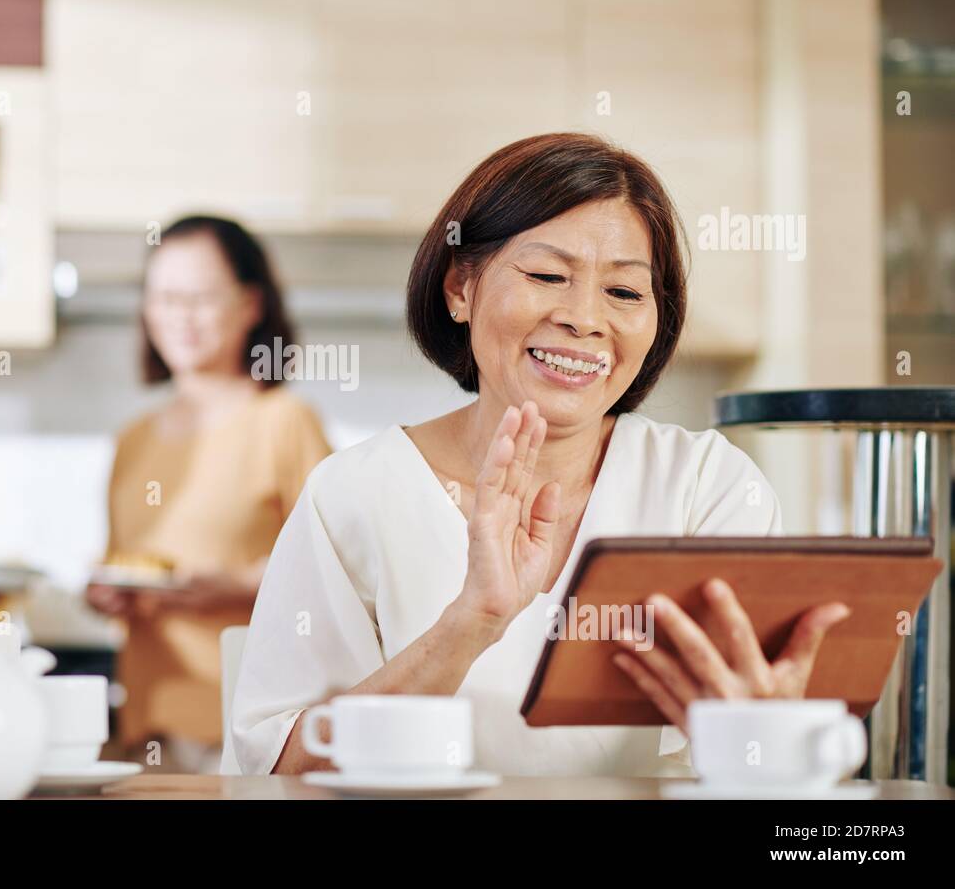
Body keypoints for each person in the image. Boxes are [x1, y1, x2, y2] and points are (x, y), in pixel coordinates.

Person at [224, 133, 851, 777]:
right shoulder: (353, 493)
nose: (584, 319)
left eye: (626, 293)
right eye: (547, 276)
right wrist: (474, 620)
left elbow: (757, 777)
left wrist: (760, 731)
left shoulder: (706, 487)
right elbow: (275, 774)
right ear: (460, 289)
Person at [87, 215, 331, 772]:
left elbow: (333, 575)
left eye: (201, 298)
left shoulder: (285, 423)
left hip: (246, 730)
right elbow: (130, 569)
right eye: (165, 298)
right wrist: (110, 593)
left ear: (250, 305)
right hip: (145, 727)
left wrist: (229, 586)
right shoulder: (133, 440)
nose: (181, 317)